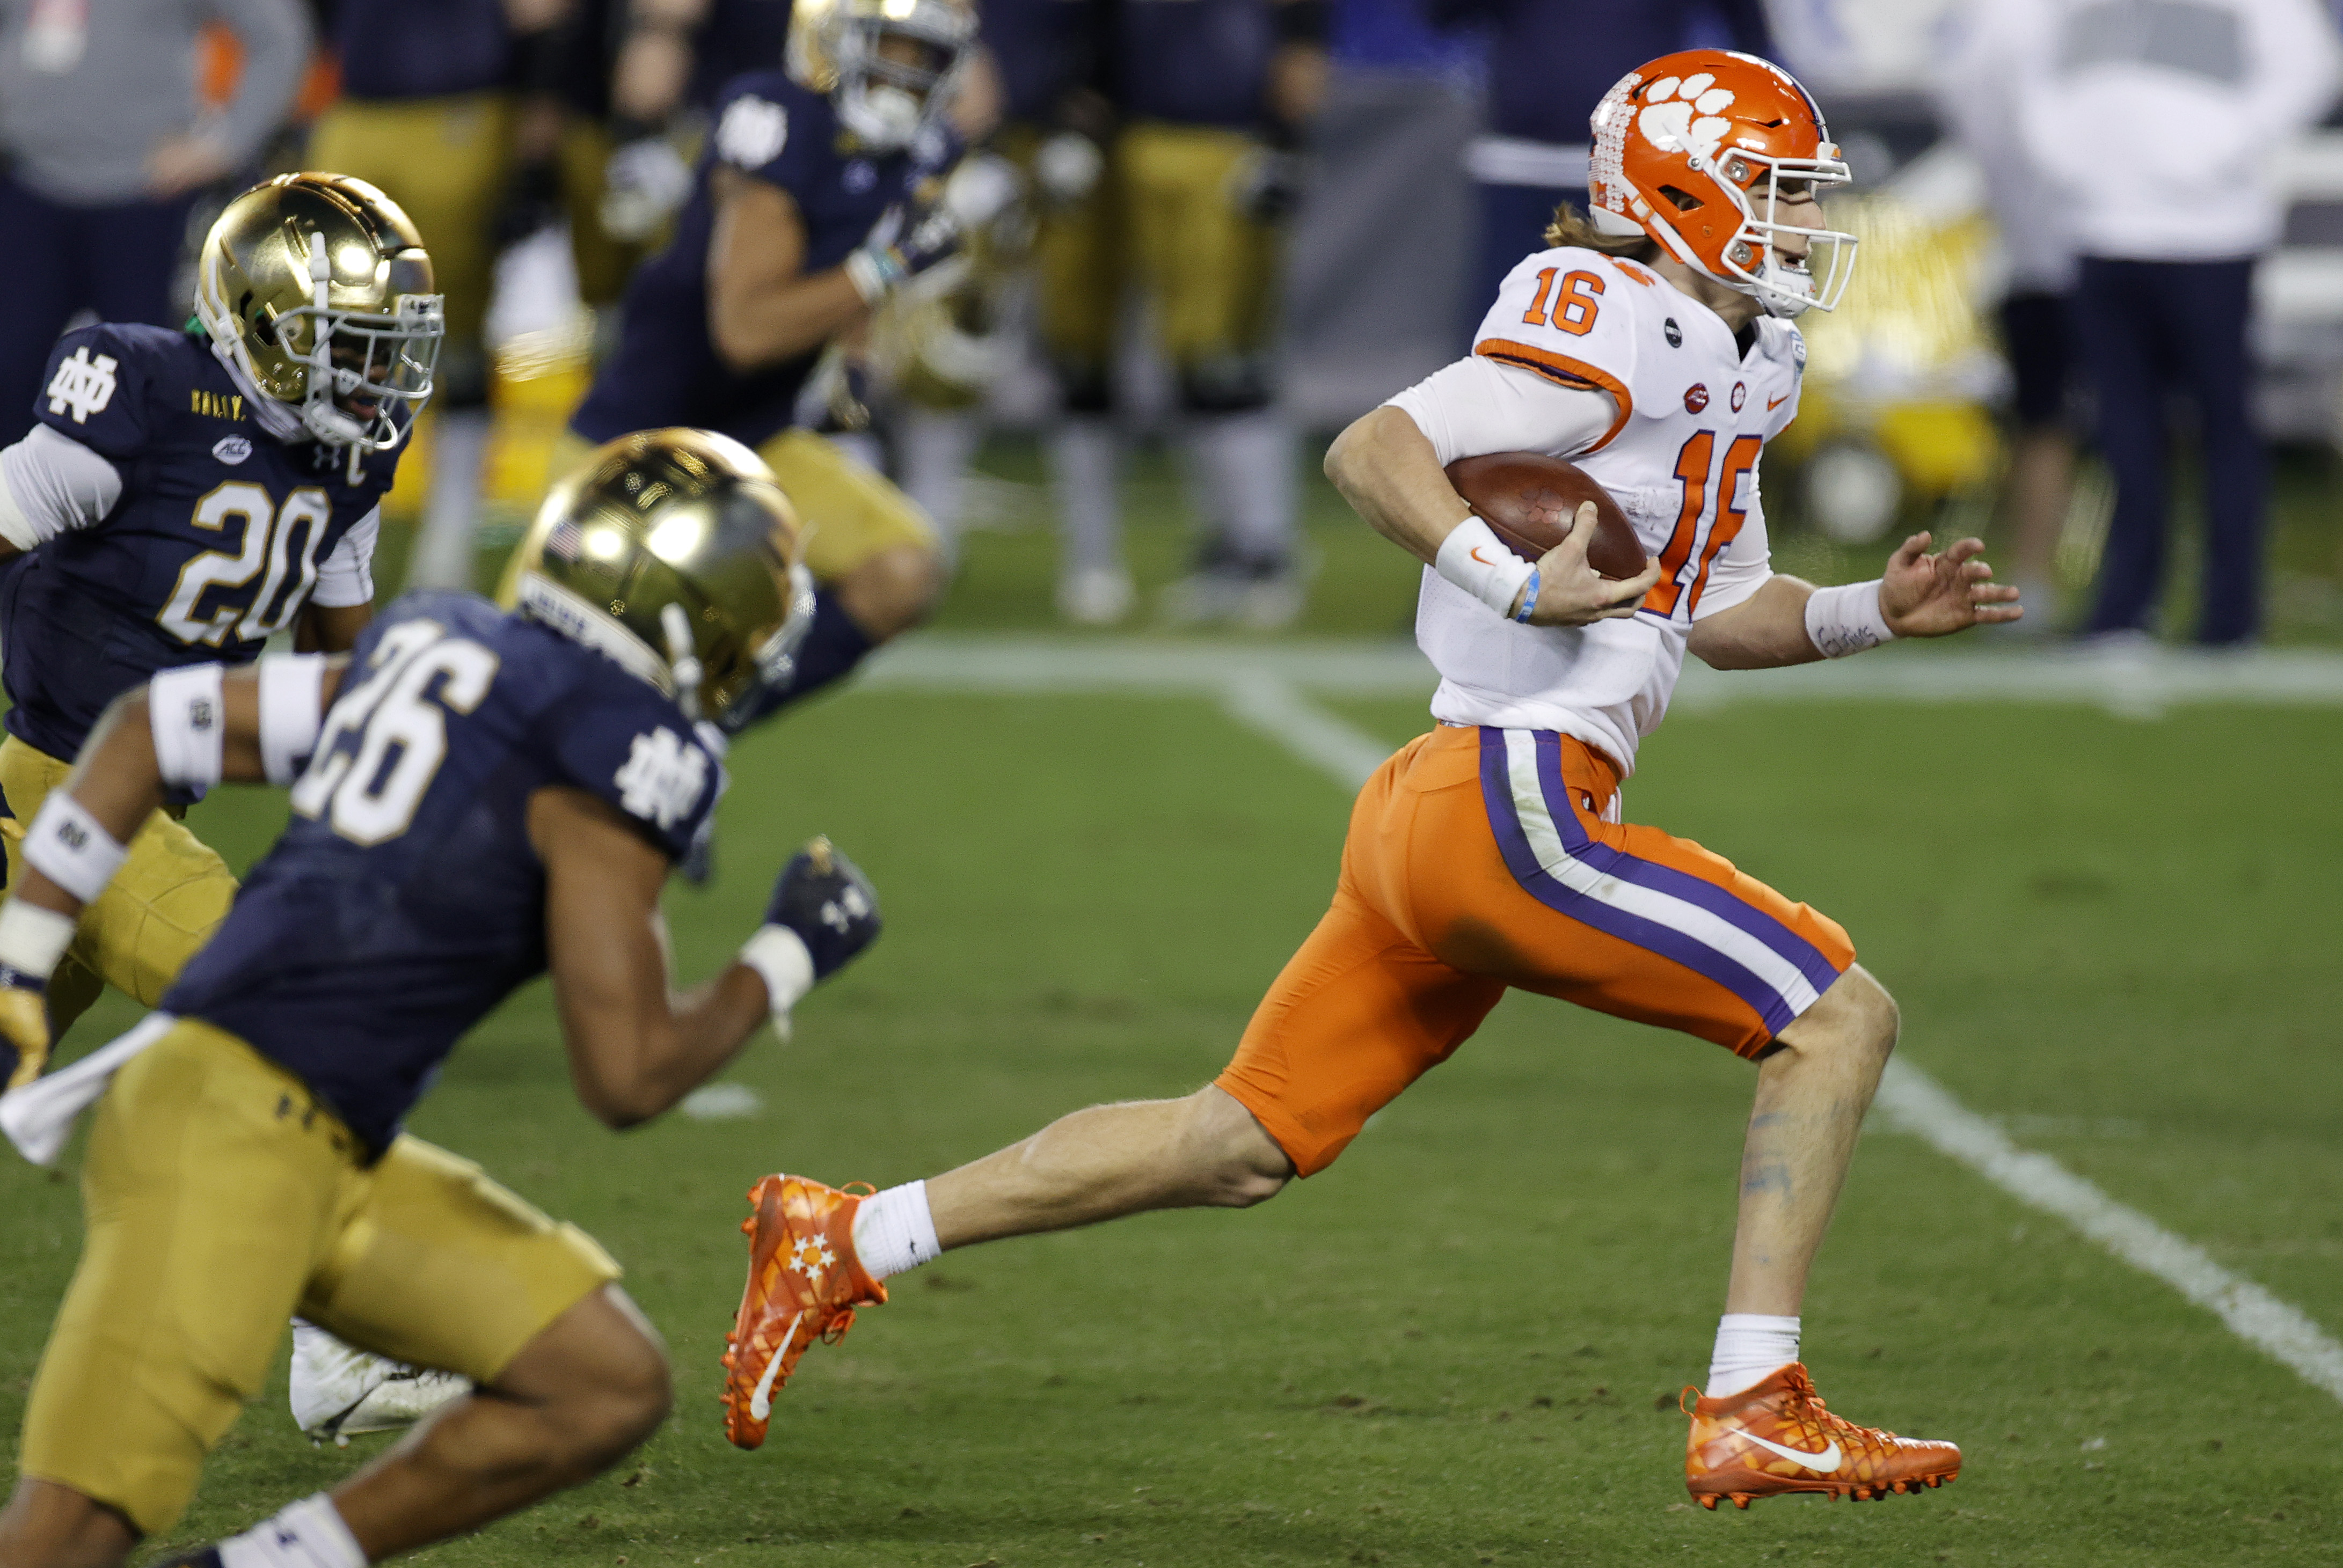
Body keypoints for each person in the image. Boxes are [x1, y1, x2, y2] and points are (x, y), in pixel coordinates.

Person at [719, 49, 2018, 1510]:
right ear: (1673, 194)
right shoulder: (1603, 311)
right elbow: (1371, 447)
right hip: (1502, 804)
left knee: (1236, 1141)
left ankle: (850, 1232)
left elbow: (1712, 613)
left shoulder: (1746, 357)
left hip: (1447, 814)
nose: (1794, 224)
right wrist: (1511, 586)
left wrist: (1864, 616)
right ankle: (1752, 1399)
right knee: (1835, 1019)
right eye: (1769, 193)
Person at [0, 428, 884, 1568]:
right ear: (684, 613)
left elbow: (147, 729)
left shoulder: (438, 633)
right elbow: (627, 1075)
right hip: (234, 1136)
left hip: (317, 1141)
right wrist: (789, 953)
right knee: (63, 1539)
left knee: (598, 1381)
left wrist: (26, 953)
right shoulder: (616, 744)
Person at [0, 170, 435, 1055]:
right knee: (285, 1017)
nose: (375, 376)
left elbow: (339, 678)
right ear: (262, 320)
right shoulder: (149, 393)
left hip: (157, 802)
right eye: (349, 345)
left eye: (386, 348)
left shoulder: (347, 468)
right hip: (63, 783)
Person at [563, 0, 980, 715]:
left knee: (902, 569)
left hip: (760, 439)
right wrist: (888, 267)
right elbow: (747, 330)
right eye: (891, 48)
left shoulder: (928, 151)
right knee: (543, 684)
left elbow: (849, 249)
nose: (903, 76)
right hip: (638, 440)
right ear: (836, 41)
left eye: (924, 59)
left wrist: (856, 361)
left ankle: (704, 720)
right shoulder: (776, 119)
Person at [2008, 0, 2339, 647]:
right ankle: (2125, 608)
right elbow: (2029, 66)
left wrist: (2227, 145)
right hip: (2102, 229)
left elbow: (2313, 64)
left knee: (2225, 426)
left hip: (2214, 234)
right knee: (2125, 429)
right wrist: (2068, 160)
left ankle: (2231, 615)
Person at [1060, 0, 1330, 628]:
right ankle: (1231, 547)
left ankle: (1265, 549)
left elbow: (1300, 40)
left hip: (1228, 141)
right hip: (1143, 137)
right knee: (1183, 357)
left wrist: (1288, 144)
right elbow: (1106, 39)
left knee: (1225, 357)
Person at [307, 0, 578, 593]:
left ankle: (450, 529)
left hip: (459, 103)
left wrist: (538, 120)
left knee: (446, 331)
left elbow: (544, 14)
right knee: (330, 330)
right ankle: (334, 519)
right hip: (355, 101)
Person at [0, 0, 312, 447]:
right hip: (25, 182)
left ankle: (145, 511)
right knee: (10, 368)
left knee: (147, 381)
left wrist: (225, 144)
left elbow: (278, 38)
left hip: (144, 195)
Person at [1428, 0, 1769, 354]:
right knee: (1498, 331)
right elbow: (1442, 15)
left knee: (1639, 336)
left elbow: (1750, 37)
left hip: (1631, 176)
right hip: (1518, 166)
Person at [1934, 0, 2079, 628]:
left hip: (2103, 246)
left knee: (2112, 424)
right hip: (2045, 252)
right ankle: (2033, 580)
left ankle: (2126, 583)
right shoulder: (2006, 20)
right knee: (2042, 423)